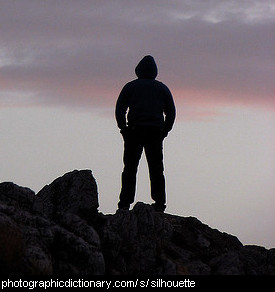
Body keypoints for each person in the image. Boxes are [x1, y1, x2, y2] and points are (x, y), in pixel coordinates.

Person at [115, 55, 176, 212]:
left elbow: (120, 108)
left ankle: (124, 204)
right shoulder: (162, 88)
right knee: (156, 169)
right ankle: (160, 204)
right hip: (155, 133)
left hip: (134, 131)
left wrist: (123, 129)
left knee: (129, 169)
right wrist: (165, 130)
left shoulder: (130, 87)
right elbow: (171, 112)